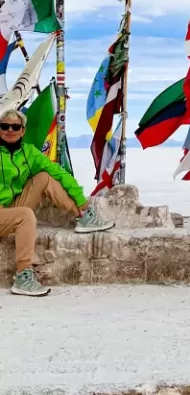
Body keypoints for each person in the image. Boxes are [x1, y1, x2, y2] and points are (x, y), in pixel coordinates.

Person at [0, 108, 114, 297]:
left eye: (15, 126)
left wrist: (80, 199)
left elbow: (58, 172)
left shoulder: (29, 153)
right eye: (4, 126)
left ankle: (84, 215)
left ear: (23, 130)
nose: (9, 130)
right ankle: (22, 276)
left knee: (45, 176)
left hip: (9, 209)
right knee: (26, 216)